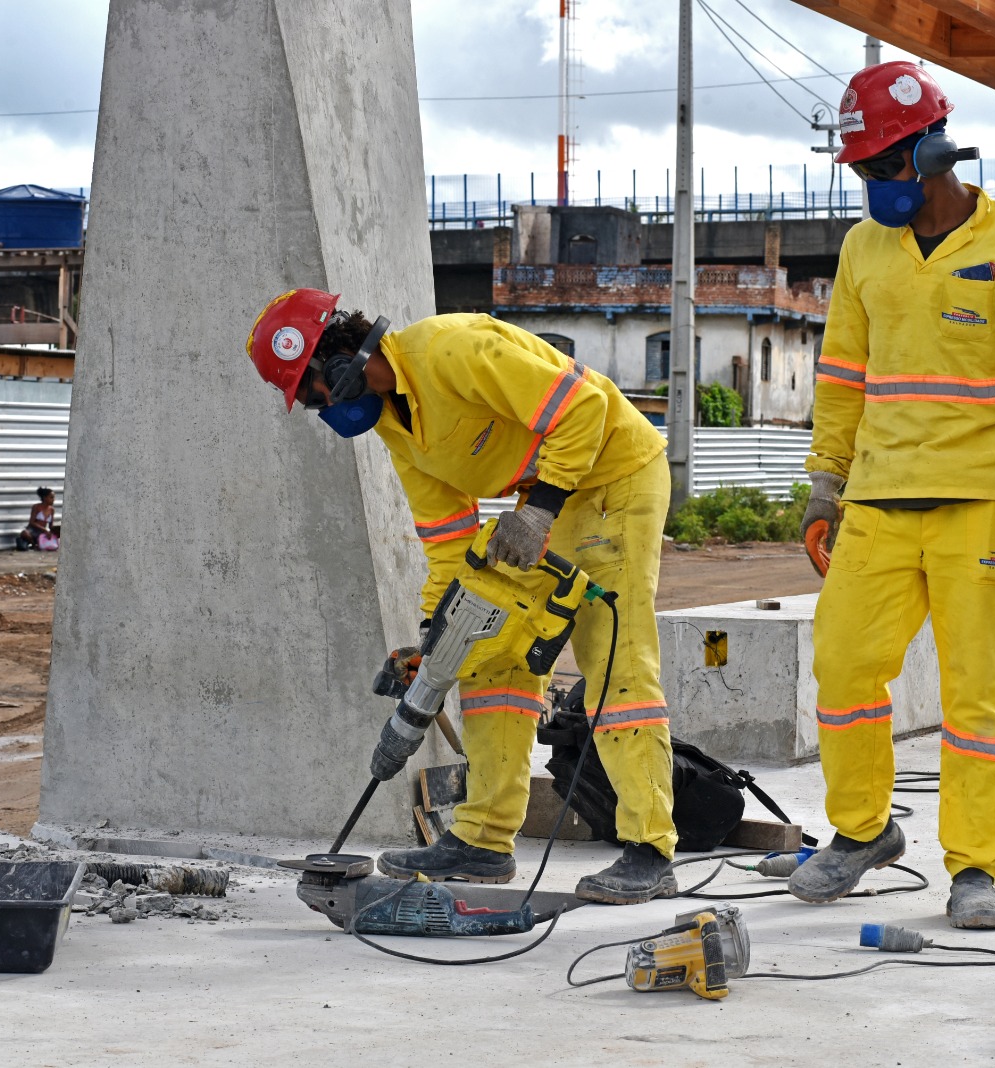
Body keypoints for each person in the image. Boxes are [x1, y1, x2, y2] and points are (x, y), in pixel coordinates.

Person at [247, 290, 678, 904]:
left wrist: (540, 513)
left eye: (315, 390)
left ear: (341, 361)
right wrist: (437, 639)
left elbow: (583, 409)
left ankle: (650, 848)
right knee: (488, 657)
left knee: (612, 659)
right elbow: (448, 542)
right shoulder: (399, 429)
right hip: (542, 501)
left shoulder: (451, 350)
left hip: (612, 476)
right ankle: (483, 841)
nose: (320, 407)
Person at [790, 62, 995, 929]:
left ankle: (974, 869)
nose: (875, 186)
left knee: (979, 696)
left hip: (980, 505)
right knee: (845, 670)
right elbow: (843, 377)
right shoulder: (863, 248)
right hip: (879, 503)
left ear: (934, 150)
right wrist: (825, 486)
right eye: (862, 172)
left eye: (886, 168)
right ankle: (860, 835)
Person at [15, 487, 60, 551]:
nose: (53, 500)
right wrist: (45, 530)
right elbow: (32, 522)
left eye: (53, 498)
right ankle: (34, 545)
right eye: (51, 497)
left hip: (42, 532)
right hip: (32, 530)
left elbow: (51, 525)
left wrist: (56, 531)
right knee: (24, 533)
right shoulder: (36, 507)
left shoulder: (51, 510)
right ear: (45, 498)